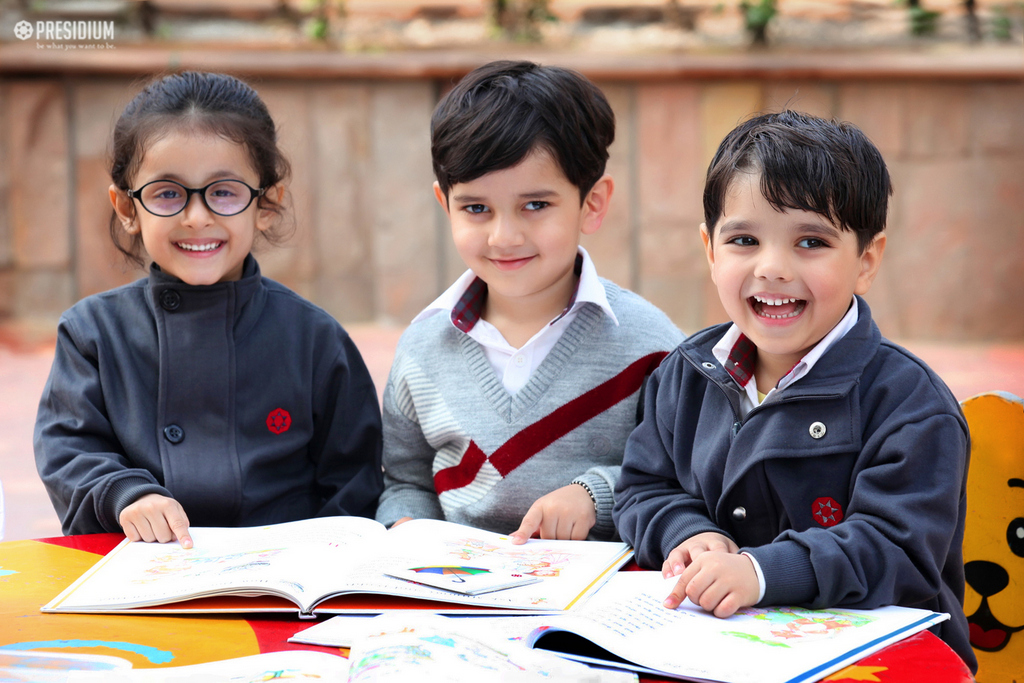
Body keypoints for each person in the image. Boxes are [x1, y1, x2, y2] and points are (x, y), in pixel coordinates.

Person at [612, 110, 975, 672]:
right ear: (710, 250)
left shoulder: (910, 404)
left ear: (866, 259)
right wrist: (689, 534)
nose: (773, 267)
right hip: (709, 650)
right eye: (744, 240)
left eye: (810, 241)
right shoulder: (686, 374)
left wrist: (762, 572)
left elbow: (898, 550)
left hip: (881, 660)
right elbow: (642, 488)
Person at [34, 71, 383, 547]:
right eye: (167, 193)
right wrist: (127, 495)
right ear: (125, 208)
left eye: (223, 191)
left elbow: (354, 480)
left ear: (266, 203)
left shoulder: (314, 338)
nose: (196, 217)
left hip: (279, 591)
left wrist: (325, 564)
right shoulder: (92, 333)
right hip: (141, 574)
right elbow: (69, 451)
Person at [375, 60, 683, 542]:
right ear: (445, 204)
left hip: (596, 599)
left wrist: (596, 493)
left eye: (535, 206)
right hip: (454, 598)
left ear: (593, 204)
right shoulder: (422, 348)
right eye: (476, 208)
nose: (504, 236)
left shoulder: (651, 346)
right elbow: (404, 481)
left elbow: (687, 477)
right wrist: (408, 528)